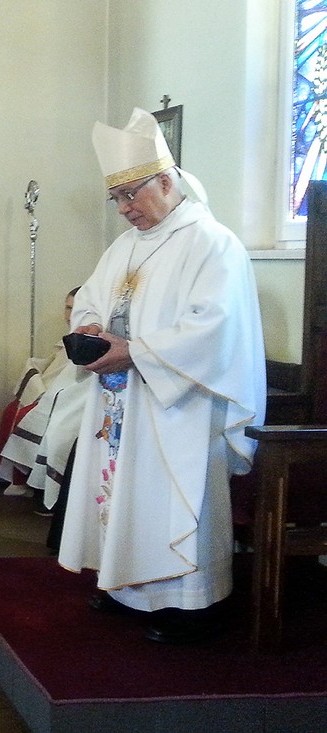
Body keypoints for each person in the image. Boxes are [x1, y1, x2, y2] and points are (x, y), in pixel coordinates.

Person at [57, 108, 266, 644]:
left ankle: (189, 603)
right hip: (121, 398)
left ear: (167, 182)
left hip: (181, 406)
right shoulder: (125, 246)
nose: (125, 209)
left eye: (131, 195)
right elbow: (90, 298)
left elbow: (214, 328)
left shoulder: (212, 243)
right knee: (124, 492)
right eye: (116, 199)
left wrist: (137, 352)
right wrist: (89, 326)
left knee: (171, 493)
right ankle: (127, 586)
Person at [0, 286, 81, 497]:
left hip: (71, 401)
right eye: (68, 308)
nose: (69, 316)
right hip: (54, 393)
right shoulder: (69, 337)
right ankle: (17, 479)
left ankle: (29, 482)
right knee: (11, 410)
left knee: (24, 415)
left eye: (75, 309)